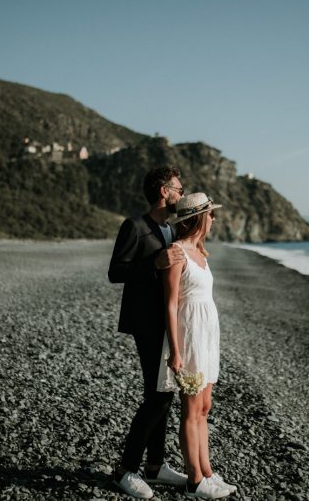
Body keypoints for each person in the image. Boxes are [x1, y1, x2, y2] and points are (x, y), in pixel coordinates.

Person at [109, 166, 189, 499]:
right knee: (157, 397)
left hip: (169, 322)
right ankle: (125, 470)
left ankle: (155, 466)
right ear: (162, 191)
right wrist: (154, 264)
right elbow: (116, 272)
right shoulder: (135, 226)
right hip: (146, 324)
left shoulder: (171, 229)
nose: (181, 195)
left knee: (165, 394)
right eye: (178, 190)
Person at [157, 193, 237, 499]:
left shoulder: (201, 252)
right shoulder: (177, 252)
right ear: (198, 217)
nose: (214, 218)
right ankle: (194, 481)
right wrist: (175, 351)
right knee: (191, 410)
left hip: (207, 336)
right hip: (189, 336)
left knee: (205, 407)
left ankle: (207, 472)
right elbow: (171, 304)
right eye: (211, 214)